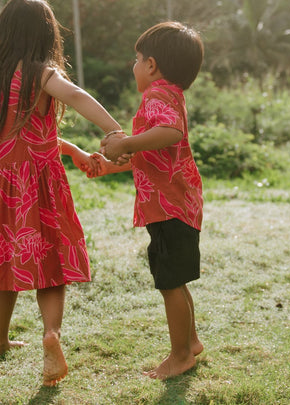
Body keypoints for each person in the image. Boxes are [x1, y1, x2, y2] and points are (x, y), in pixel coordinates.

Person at [0, 0, 123, 387]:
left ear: (3, 33)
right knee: (49, 267)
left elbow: (17, 138)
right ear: (46, 34)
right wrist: (113, 130)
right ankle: (50, 333)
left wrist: (69, 148)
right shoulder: (42, 72)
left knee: (6, 266)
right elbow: (76, 95)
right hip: (38, 188)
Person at [93, 21, 204, 380]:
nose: (134, 65)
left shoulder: (157, 96)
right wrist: (113, 164)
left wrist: (125, 143)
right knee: (177, 277)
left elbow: (170, 132)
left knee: (169, 280)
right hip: (176, 202)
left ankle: (181, 355)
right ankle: (192, 341)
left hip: (170, 205)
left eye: (137, 59)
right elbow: (156, 152)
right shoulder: (170, 94)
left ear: (152, 65)